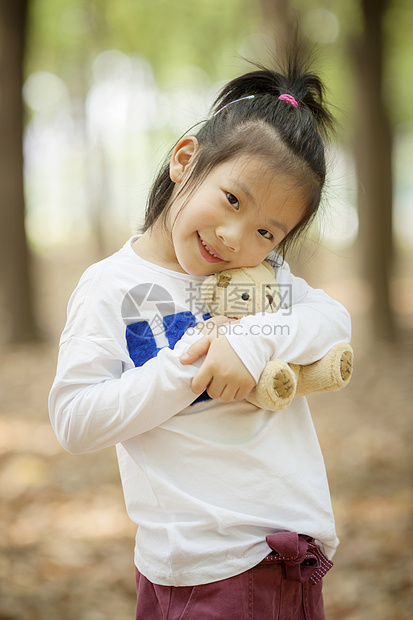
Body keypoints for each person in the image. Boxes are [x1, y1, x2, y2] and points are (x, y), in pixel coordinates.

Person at [49, 53, 351, 620]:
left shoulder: (260, 281)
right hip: (181, 567)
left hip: (269, 558)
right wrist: (192, 367)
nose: (235, 237)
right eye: (232, 199)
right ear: (185, 162)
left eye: (266, 231)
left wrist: (252, 341)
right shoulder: (114, 288)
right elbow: (74, 418)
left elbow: (333, 319)